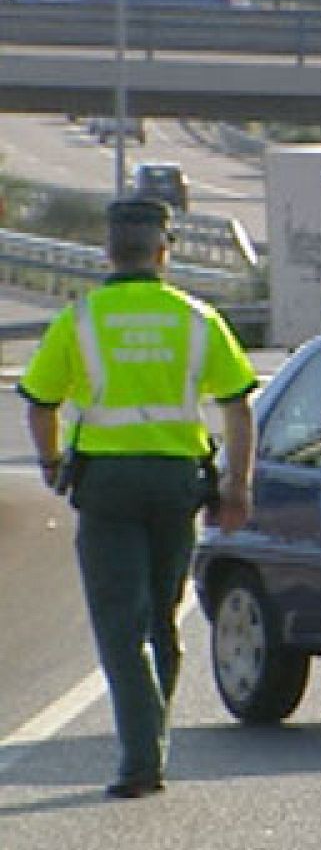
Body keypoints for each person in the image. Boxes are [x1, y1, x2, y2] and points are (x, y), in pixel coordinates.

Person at [17, 198, 259, 799]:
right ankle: (154, 737)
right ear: (163, 252)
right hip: (177, 482)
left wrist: (51, 462)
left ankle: (140, 758)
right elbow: (238, 405)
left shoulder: (80, 320)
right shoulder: (197, 318)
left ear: (107, 252)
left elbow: (40, 402)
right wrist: (237, 484)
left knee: (118, 625)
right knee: (161, 616)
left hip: (107, 486)